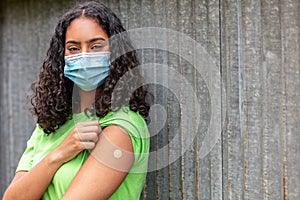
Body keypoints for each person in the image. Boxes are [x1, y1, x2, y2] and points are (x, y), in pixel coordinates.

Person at [3, 1, 150, 200]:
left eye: (95, 46)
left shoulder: (121, 128)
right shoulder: (52, 122)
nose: (84, 56)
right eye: (73, 48)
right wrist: (60, 153)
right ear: (61, 56)